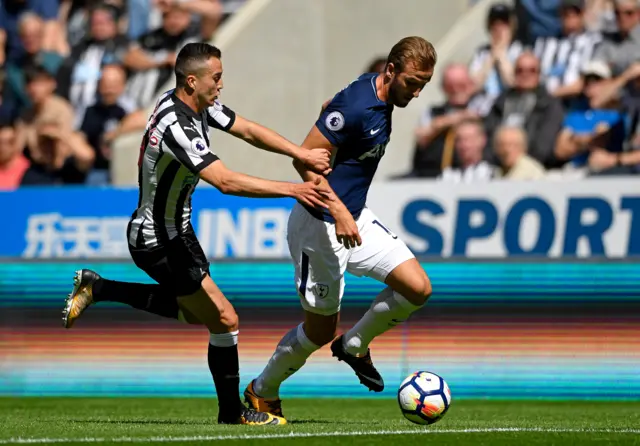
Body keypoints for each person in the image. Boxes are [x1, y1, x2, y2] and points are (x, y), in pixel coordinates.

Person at [61, 42, 334, 426]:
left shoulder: (195, 106)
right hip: (158, 241)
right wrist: (295, 188)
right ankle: (231, 413)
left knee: (199, 315)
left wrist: (299, 153)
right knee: (224, 318)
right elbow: (223, 180)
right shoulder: (177, 124)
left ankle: (100, 288)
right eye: (216, 77)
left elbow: (248, 129)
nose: (221, 84)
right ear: (192, 80)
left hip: (177, 234)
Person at [243, 36, 437, 420]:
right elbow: (305, 161)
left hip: (353, 218)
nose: (416, 93)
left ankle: (355, 344)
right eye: (413, 83)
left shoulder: (377, 96)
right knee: (318, 331)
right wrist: (339, 211)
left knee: (418, 287)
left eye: (424, 86)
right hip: (319, 225)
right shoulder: (357, 105)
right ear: (391, 71)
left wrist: (348, 212)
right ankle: (260, 390)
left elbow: (333, 119)